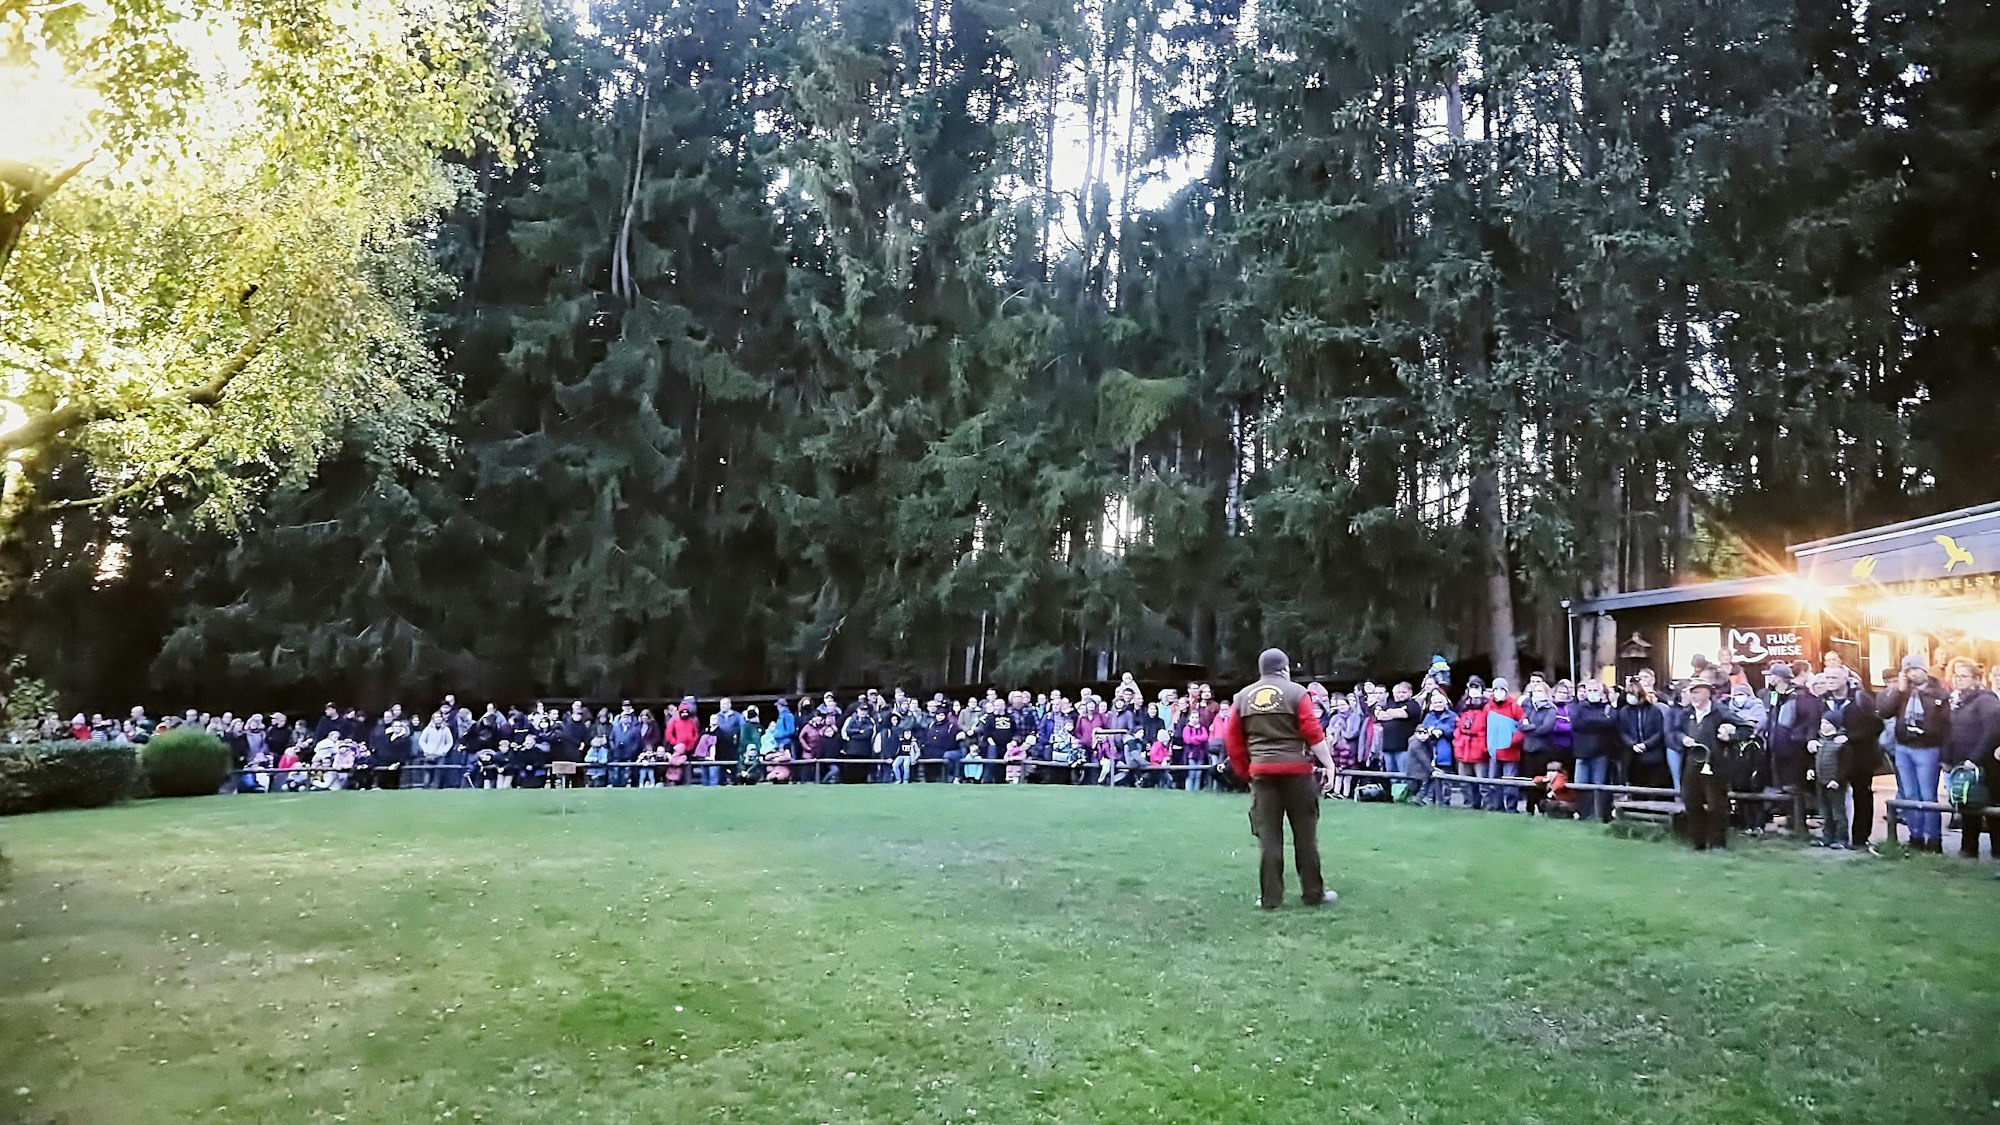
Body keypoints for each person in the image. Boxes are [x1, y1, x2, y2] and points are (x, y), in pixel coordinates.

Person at [1222, 648, 1339, 910]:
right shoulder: (1297, 692)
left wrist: (1246, 772)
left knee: (1269, 838)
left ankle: (1270, 898)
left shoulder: (1243, 697)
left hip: (1263, 773)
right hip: (1297, 773)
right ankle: (1313, 893)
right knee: (1305, 837)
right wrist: (1329, 764)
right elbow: (1313, 731)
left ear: (1261, 670)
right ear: (1285, 669)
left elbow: (1232, 739)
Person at [1876, 654, 1952, 852]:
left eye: (1915, 669)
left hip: (1928, 748)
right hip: (1904, 747)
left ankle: (1934, 840)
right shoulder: (1902, 692)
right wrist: (1898, 691)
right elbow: (1884, 711)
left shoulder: (1939, 692)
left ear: (1924, 670)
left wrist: (1945, 754)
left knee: (1928, 796)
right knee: (1909, 795)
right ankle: (1915, 836)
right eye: (1908, 670)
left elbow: (1946, 725)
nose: (1912, 673)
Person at [1944, 660, 1999, 859]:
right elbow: (1952, 731)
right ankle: (1968, 849)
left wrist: (1975, 758)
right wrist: (1947, 758)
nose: (1958, 680)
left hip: (1986, 763)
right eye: (1956, 676)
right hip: (1963, 761)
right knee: (1967, 804)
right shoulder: (1960, 700)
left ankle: (1997, 852)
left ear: (1976, 679)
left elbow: (1993, 731)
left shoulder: (1985, 700)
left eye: (1963, 676)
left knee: (1991, 805)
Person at [1677, 680, 1740, 851]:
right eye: (1692, 692)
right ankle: (1698, 843)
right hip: (1691, 763)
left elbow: (1747, 727)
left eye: (1697, 692)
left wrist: (1730, 736)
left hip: (1716, 765)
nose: (1694, 696)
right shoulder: (1685, 713)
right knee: (1691, 803)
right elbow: (1673, 732)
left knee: (1716, 806)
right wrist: (1682, 738)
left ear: (1707, 693)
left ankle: (1718, 843)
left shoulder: (1720, 711)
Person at [1569, 680, 1623, 822]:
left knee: (1598, 787)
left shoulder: (1608, 708)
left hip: (1601, 753)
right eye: (1590, 690)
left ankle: (1598, 816)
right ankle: (1583, 815)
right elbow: (1576, 723)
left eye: (1595, 690)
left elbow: (1611, 722)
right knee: (1581, 786)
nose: (1592, 693)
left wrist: (1590, 722)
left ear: (1602, 692)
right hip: (1582, 753)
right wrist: (1599, 722)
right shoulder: (1578, 708)